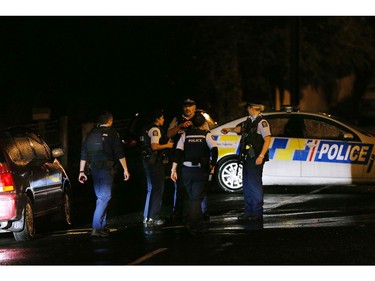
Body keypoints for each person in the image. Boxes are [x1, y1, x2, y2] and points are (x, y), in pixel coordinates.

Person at [78, 110, 130, 237]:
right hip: (107, 170)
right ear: (110, 120)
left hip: (94, 169)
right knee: (105, 197)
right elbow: (119, 153)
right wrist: (126, 169)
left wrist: (81, 171)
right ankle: (96, 228)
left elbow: (84, 153)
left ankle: (102, 226)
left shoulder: (91, 133)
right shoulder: (112, 133)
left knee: (100, 197)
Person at [221, 102, 271, 221]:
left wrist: (261, 156)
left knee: (254, 185)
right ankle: (249, 212)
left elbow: (267, 139)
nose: (247, 110)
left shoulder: (262, 122)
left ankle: (257, 213)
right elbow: (242, 129)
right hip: (248, 156)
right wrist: (229, 129)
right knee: (247, 185)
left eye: (248, 107)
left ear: (252, 108)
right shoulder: (250, 120)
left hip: (255, 157)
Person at [170, 113, 218, 234]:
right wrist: (212, 164)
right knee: (197, 198)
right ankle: (195, 224)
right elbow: (214, 150)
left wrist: (173, 170)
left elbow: (178, 153)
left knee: (189, 196)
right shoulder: (206, 135)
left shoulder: (185, 135)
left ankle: (187, 221)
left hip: (186, 170)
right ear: (203, 124)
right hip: (200, 170)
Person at [167, 98, 210, 222]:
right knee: (179, 186)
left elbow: (207, 135)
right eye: (186, 105)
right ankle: (178, 212)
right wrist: (180, 126)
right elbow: (168, 134)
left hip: (198, 157)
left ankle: (202, 212)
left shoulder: (199, 120)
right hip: (180, 157)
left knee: (200, 186)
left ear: (194, 107)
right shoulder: (176, 120)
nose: (188, 108)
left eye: (190, 106)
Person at [141, 109, 174, 226]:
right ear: (158, 119)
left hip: (148, 161)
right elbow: (154, 146)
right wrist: (168, 145)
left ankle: (147, 216)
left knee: (151, 189)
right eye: (162, 118)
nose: (163, 120)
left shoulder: (146, 127)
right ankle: (153, 218)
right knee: (157, 189)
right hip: (154, 162)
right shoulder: (155, 129)